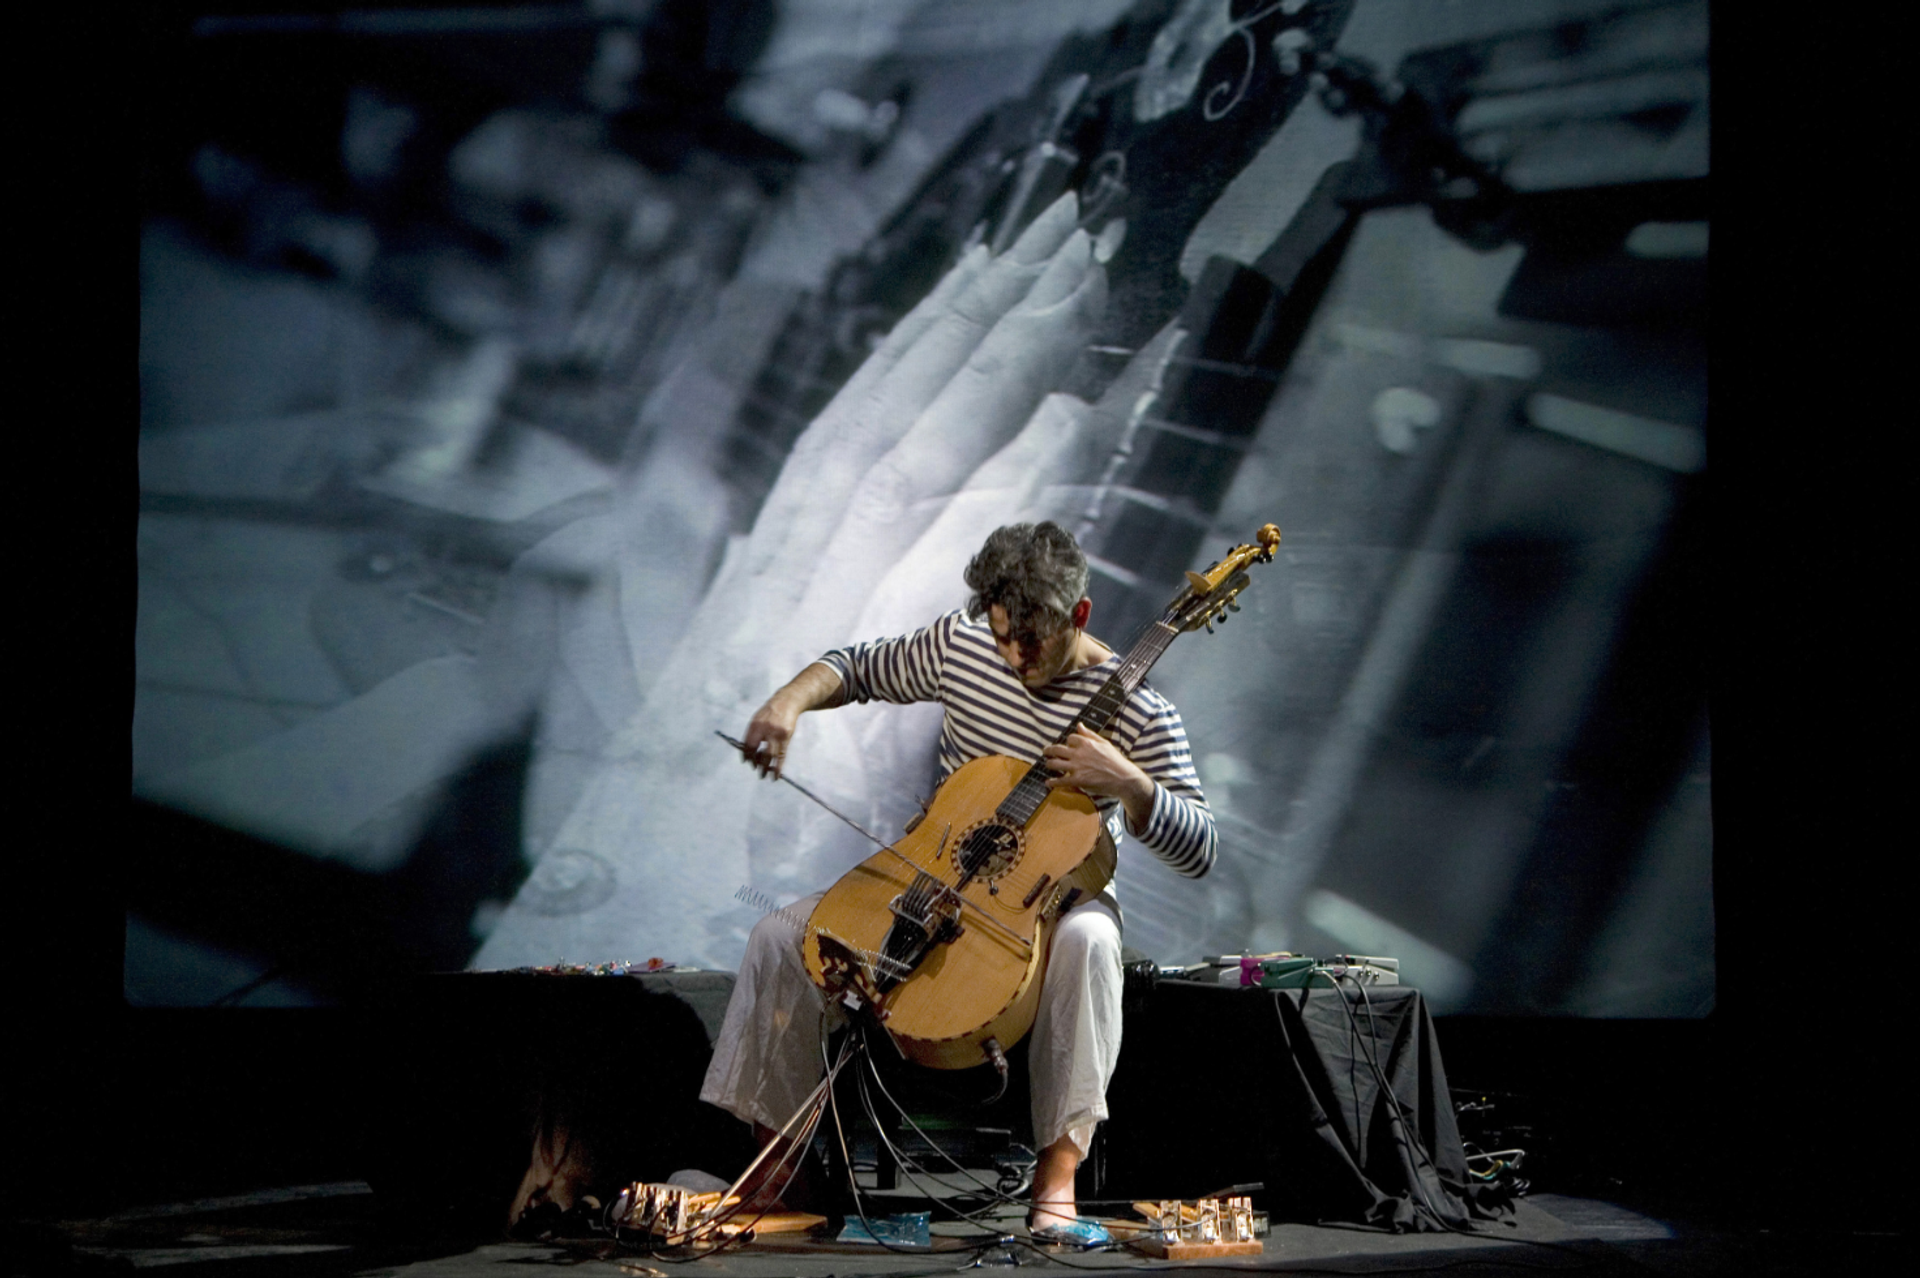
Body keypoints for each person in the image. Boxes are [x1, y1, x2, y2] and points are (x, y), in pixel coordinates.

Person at [699, 521, 1216, 1245]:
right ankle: (781, 1168)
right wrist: (786, 705)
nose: (1014, 656)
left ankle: (1057, 1179)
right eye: (1004, 635)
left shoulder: (1141, 713)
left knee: (1095, 941)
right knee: (777, 936)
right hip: (936, 874)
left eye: (1032, 638)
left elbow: (1203, 849)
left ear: (1081, 614)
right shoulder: (965, 644)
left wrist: (1130, 786)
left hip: (1046, 902)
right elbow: (854, 666)